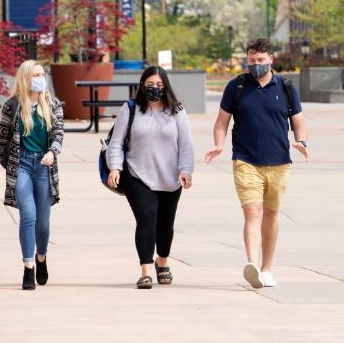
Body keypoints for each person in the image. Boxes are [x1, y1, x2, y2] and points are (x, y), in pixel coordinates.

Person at [204, 38, 309, 289]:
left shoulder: (285, 87)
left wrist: (301, 141)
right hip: (245, 159)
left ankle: (267, 269)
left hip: (279, 161)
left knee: (271, 216)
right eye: (251, 60)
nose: (255, 65)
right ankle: (252, 265)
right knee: (252, 212)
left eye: (260, 60)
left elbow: (299, 121)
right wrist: (219, 144)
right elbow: (222, 122)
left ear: (271, 59)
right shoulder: (237, 86)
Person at [107, 66, 195, 289]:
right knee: (146, 218)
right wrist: (115, 168)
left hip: (169, 177)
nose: (154, 89)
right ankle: (146, 270)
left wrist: (186, 170)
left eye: (158, 85)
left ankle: (162, 262)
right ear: (142, 85)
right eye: (149, 85)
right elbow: (115, 143)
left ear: (165, 86)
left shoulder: (177, 111)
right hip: (138, 175)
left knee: (165, 226)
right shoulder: (131, 109)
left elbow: (186, 144)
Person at [0, 60, 64, 290]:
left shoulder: (54, 104)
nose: (40, 78)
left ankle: (41, 257)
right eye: (35, 74)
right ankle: (28, 267)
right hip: (21, 166)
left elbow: (58, 134)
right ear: (25, 78)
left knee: (43, 224)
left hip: (44, 167)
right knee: (28, 216)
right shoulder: (13, 105)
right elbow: (1, 140)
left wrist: (52, 152)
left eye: (41, 74)